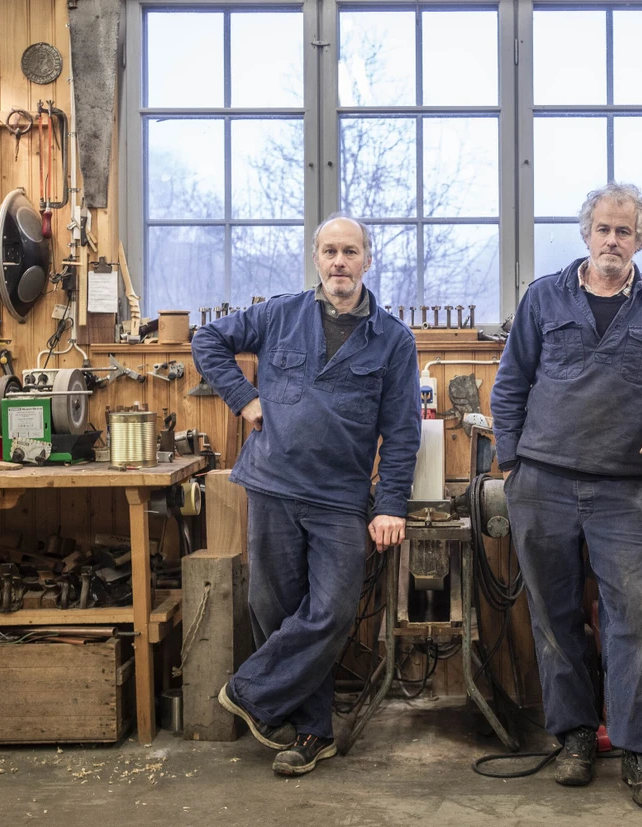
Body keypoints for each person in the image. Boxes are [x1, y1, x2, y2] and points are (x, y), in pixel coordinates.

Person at [489, 182, 642, 809]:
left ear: (641, 239)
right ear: (587, 233)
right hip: (542, 484)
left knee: (635, 622)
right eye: (604, 230)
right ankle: (577, 738)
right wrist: (513, 468)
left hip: (621, 488)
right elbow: (509, 386)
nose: (614, 241)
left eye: (626, 232)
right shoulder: (543, 298)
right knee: (554, 620)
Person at [192, 214, 421, 777]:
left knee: (333, 610)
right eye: (329, 251)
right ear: (316, 258)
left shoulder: (392, 339)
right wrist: (245, 399)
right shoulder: (279, 315)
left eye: (350, 251)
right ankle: (313, 732)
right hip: (272, 484)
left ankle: (250, 692)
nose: (339, 261)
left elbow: (404, 430)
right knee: (272, 608)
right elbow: (208, 340)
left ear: (368, 259)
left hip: (340, 497)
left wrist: (390, 502)